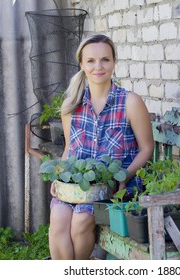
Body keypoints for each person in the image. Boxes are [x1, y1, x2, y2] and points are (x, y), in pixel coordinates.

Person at [48, 34, 154, 260]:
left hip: (115, 189)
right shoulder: (71, 105)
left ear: (114, 62)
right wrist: (59, 176)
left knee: (81, 219)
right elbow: (69, 149)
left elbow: (147, 148)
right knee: (58, 218)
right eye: (91, 61)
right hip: (78, 185)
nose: (98, 66)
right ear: (82, 65)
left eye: (105, 59)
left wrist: (124, 176)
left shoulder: (130, 102)